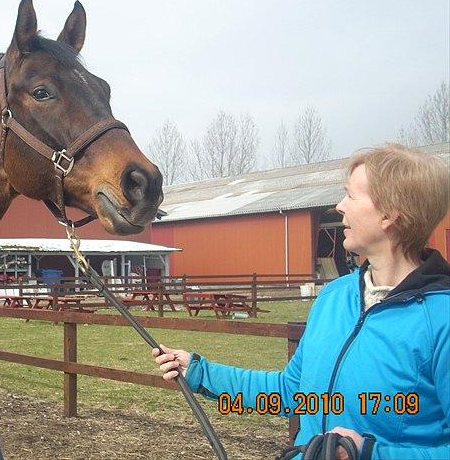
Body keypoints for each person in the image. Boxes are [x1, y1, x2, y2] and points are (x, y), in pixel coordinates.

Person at [153, 144, 449, 459]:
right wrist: (200, 373)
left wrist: (368, 454)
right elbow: (292, 393)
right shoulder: (334, 297)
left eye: (351, 195)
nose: (339, 206)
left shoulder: (441, 319)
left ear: (391, 214)